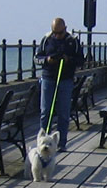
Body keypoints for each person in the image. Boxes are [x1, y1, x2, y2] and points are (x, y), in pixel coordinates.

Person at [35, 17, 85, 151]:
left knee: (63, 113)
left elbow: (81, 61)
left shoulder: (72, 41)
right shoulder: (46, 39)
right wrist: (47, 60)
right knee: (46, 112)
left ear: (65, 29)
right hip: (48, 78)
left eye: (60, 33)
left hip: (66, 79)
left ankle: (61, 143)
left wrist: (68, 59)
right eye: (54, 33)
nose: (57, 36)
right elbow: (37, 58)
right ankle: (42, 142)